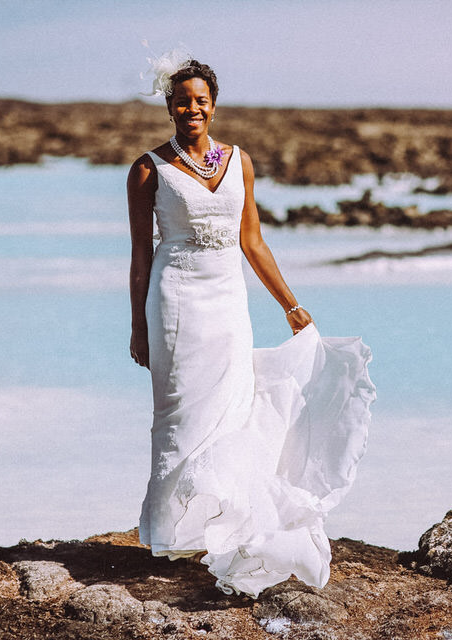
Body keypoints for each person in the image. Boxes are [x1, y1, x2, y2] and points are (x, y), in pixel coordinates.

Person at [127, 50, 376, 598]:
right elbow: (141, 257)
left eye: (202, 100)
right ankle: (173, 530)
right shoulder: (148, 168)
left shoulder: (240, 162)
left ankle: (219, 519)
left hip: (228, 303)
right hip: (174, 302)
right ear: (169, 105)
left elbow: (252, 242)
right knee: (179, 411)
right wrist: (138, 327)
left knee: (233, 406)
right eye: (183, 100)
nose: (193, 108)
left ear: (213, 106)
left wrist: (290, 304)